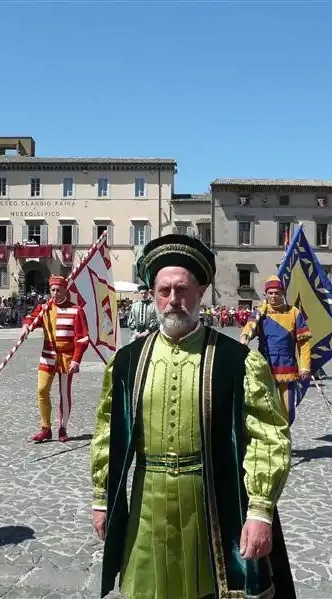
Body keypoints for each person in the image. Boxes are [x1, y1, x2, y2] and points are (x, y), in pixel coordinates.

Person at [90, 234, 296, 599]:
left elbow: (268, 435)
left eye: (182, 290)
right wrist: (103, 498)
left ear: (200, 292)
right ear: (153, 294)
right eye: (164, 290)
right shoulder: (126, 362)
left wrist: (261, 510)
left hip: (211, 501)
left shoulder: (238, 361)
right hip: (145, 502)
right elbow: (108, 430)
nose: (173, 300)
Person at [21, 275, 89, 443]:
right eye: (53, 290)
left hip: (67, 358)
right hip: (48, 356)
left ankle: (63, 427)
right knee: (42, 390)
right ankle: (46, 428)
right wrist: (25, 328)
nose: (56, 293)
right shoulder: (44, 308)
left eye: (59, 290)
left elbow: (82, 339)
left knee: (64, 394)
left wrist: (76, 360)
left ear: (65, 290)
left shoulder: (76, 310)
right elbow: (30, 319)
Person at [240, 275, 312, 424]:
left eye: (277, 292)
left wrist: (305, 366)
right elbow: (250, 327)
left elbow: (303, 343)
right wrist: (245, 337)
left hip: (288, 368)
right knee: (266, 408)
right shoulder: (260, 312)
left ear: (282, 293)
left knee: (288, 410)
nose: (273, 296)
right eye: (270, 293)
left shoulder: (293, 312)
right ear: (266, 294)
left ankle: (284, 438)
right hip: (265, 368)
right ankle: (271, 442)